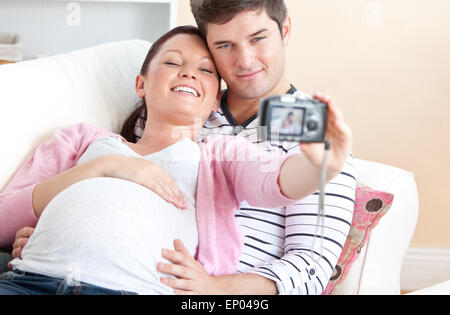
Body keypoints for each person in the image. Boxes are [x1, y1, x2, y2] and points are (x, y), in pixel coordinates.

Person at [0, 26, 352, 295]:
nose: (188, 73)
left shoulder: (220, 155)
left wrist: (322, 164)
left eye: (205, 70)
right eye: (172, 62)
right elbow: (3, 220)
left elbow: (274, 183)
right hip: (27, 281)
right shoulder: (82, 140)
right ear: (141, 84)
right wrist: (100, 168)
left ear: (216, 101)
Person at [133, 0, 357, 295]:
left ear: (285, 30)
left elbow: (311, 268)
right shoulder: (183, 102)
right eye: (225, 45)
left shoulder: (313, 136)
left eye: (258, 38)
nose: (245, 60)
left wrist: (213, 289)